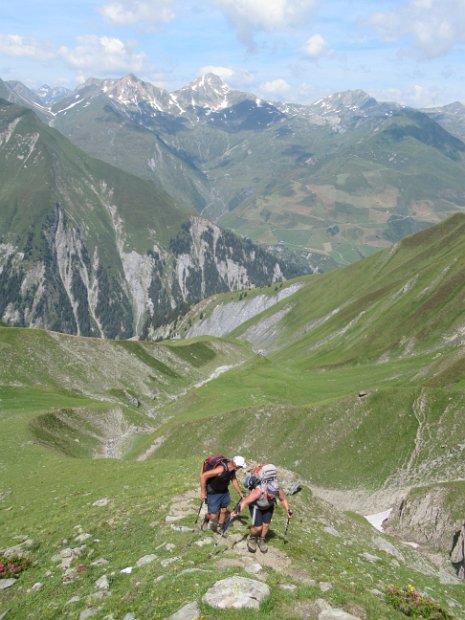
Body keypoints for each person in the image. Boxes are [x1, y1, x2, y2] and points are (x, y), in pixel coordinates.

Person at [230, 480, 292, 553]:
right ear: (267, 490)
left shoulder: (278, 490)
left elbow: (283, 499)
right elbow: (245, 502)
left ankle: (261, 540)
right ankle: (252, 538)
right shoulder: (258, 492)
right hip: (256, 507)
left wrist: (288, 510)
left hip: (268, 507)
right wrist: (237, 511)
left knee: (266, 525)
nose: (272, 497)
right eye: (271, 494)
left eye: (274, 495)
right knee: (258, 527)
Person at [200, 455, 246, 533]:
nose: (240, 469)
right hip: (213, 493)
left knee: (223, 510)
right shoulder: (220, 469)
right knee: (213, 515)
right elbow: (203, 476)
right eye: (240, 467)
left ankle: (220, 526)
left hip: (224, 491)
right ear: (236, 465)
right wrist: (203, 492)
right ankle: (207, 518)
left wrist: (240, 492)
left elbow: (233, 479)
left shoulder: (232, 469)